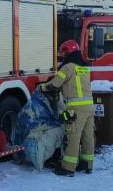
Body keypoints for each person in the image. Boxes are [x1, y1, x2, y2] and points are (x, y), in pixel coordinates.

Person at [41, 39, 95, 176]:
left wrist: (43, 87)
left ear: (67, 54)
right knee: (88, 137)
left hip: (76, 109)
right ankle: (87, 164)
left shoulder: (67, 67)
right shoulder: (84, 68)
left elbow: (55, 84)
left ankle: (68, 168)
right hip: (89, 107)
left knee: (73, 138)